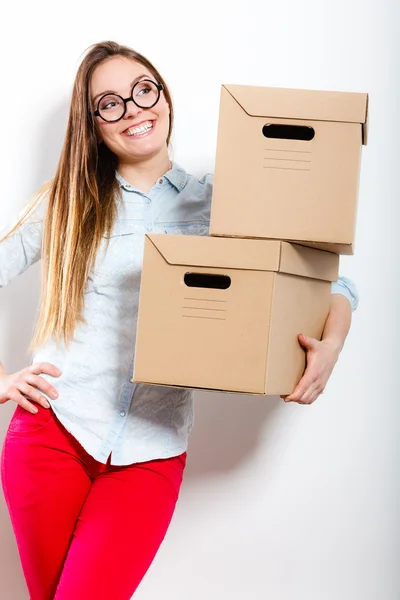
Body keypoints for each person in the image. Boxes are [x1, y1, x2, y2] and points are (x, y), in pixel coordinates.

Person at [0, 41, 359, 600]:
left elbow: (331, 281)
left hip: (151, 452)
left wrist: (330, 346)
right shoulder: (66, 204)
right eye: (109, 103)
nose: (134, 109)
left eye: (145, 89)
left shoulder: (228, 207)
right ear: (92, 124)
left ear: (165, 96)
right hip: (51, 437)